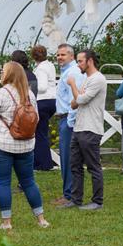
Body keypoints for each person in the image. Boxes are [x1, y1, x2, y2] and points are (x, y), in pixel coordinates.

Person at [0, 61, 49, 231]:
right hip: (26, 145)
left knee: (3, 183)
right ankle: (41, 219)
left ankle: (6, 222)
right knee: (28, 182)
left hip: (3, 144)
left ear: (8, 74)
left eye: (2, 70)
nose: (0, 73)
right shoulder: (29, 94)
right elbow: (37, 119)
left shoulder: (0, 93)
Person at [60, 49, 107, 210]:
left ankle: (97, 201)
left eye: (80, 61)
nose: (78, 64)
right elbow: (74, 103)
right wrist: (78, 96)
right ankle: (76, 199)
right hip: (79, 127)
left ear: (90, 61)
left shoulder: (98, 79)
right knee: (75, 165)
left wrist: (73, 84)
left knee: (93, 166)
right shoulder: (87, 79)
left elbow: (80, 99)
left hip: (91, 128)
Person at [53, 43, 83, 204]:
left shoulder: (73, 72)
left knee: (68, 158)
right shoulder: (66, 72)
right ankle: (68, 193)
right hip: (64, 118)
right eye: (58, 55)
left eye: (63, 55)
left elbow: (76, 98)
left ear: (72, 56)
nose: (59, 57)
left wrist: (70, 121)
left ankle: (69, 194)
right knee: (66, 157)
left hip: (69, 120)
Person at [30, 45, 58, 172]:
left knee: (39, 133)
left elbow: (42, 87)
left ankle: (42, 163)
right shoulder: (50, 65)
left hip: (43, 100)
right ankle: (46, 162)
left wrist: (29, 88)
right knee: (42, 133)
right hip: (52, 100)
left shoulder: (40, 69)